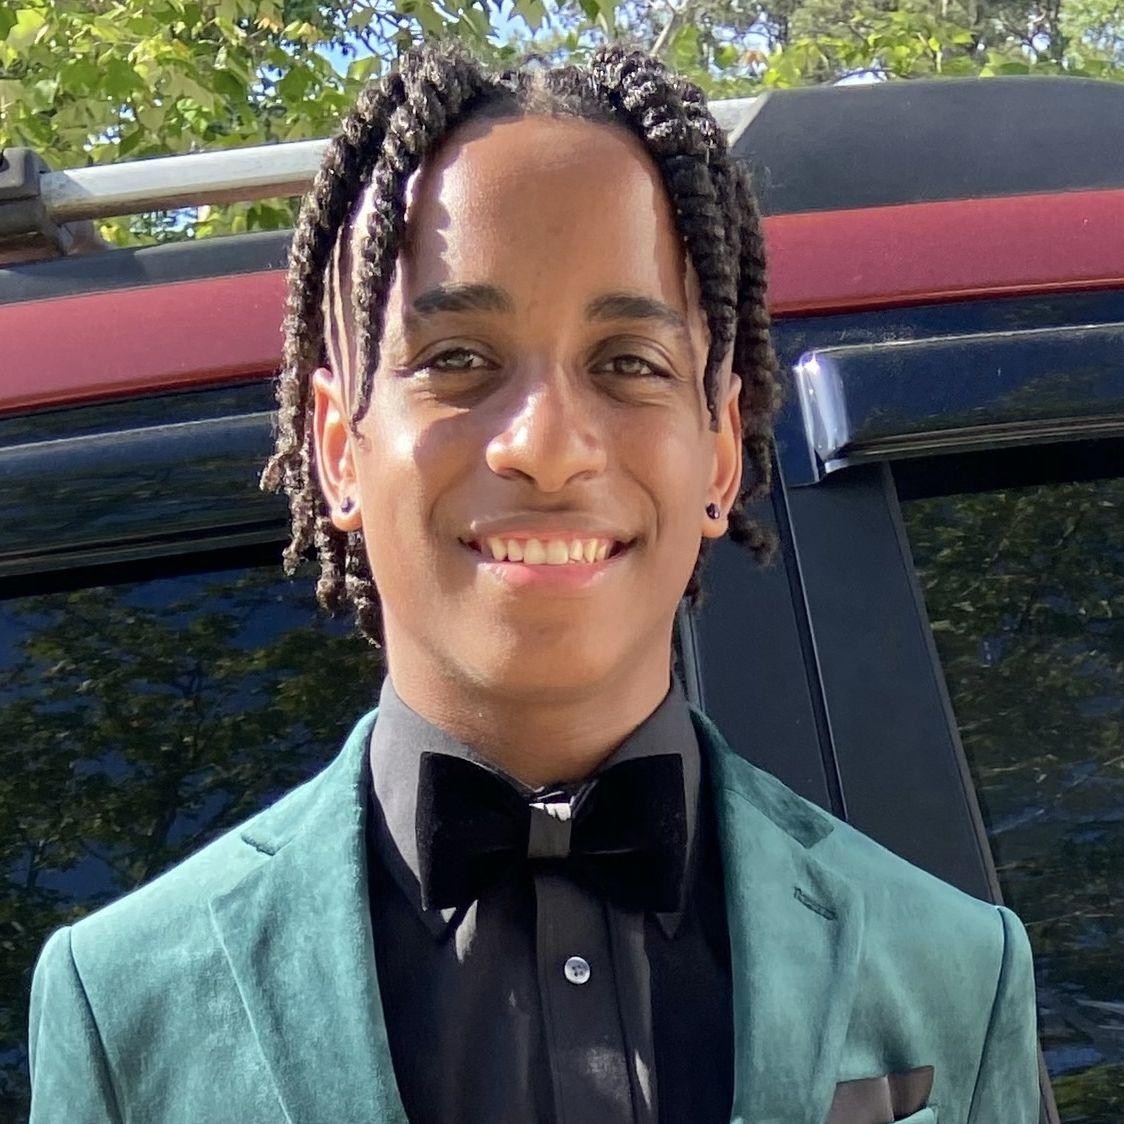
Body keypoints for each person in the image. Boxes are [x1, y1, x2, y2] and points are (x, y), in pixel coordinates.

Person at [27, 40, 1040, 1124]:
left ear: (720, 453)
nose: (547, 447)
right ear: (334, 450)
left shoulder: (954, 973)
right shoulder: (126, 1008)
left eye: (628, 363)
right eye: (457, 359)